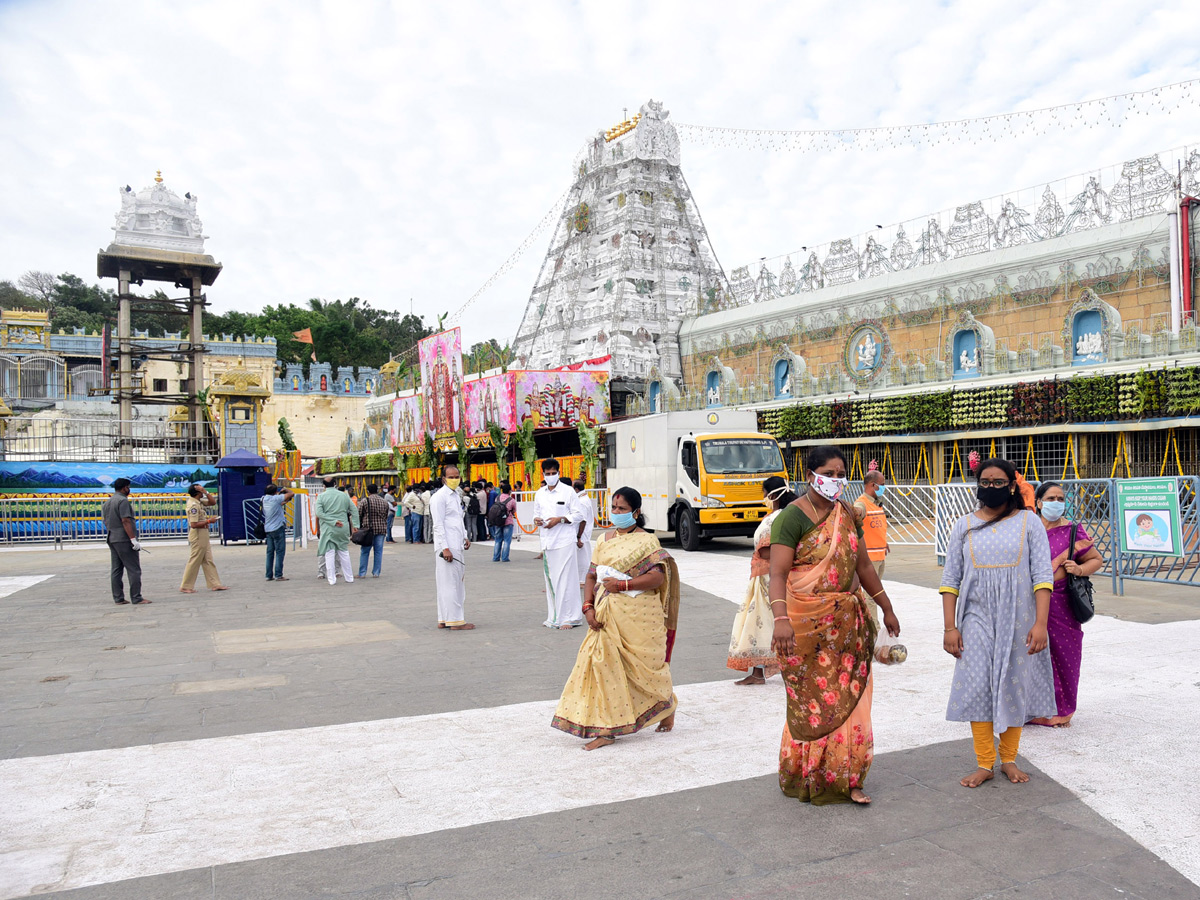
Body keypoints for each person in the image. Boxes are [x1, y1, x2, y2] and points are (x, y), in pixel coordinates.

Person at [768, 446, 901, 805]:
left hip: (846, 624)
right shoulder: (791, 517)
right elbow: (777, 574)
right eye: (830, 472)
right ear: (811, 475)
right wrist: (780, 620)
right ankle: (806, 774)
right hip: (802, 626)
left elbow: (864, 567)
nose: (837, 480)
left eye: (842, 473)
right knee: (811, 702)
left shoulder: (847, 512)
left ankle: (849, 778)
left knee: (852, 699)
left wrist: (886, 607)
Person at [940, 458, 1056, 788]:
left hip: (1021, 619)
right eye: (985, 481)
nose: (992, 487)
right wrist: (950, 627)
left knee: (1014, 683)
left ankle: (1008, 759)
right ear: (978, 485)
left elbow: (1042, 577)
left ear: (1011, 486)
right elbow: (951, 579)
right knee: (977, 685)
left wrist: (1041, 624)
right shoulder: (963, 525)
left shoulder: (1028, 522)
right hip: (975, 619)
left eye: (999, 482)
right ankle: (984, 763)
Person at [552, 486, 679, 750]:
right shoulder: (604, 540)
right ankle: (607, 728)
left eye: (622, 509)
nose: (617, 513)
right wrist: (587, 606)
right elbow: (590, 575)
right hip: (606, 614)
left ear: (636, 512)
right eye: (614, 508)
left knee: (646, 671)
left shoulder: (647, 541)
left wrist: (623, 586)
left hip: (640, 616)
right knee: (602, 666)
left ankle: (665, 706)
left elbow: (657, 577)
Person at [1028, 482, 1103, 728]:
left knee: (1064, 655)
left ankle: (1060, 712)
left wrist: (1079, 568)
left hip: (1062, 605)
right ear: (1038, 502)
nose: (1056, 503)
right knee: (1029, 655)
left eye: (1061, 498)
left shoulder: (1072, 530)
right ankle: (1030, 710)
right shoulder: (1027, 528)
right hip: (1028, 603)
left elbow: (1096, 559)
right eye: (1050, 498)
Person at [727, 476, 795, 684]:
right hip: (765, 577)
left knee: (765, 622)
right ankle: (760, 671)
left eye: (764, 493)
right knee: (762, 623)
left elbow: (768, 550)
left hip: (770, 578)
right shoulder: (777, 515)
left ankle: (771, 670)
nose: (763, 497)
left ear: (773, 494)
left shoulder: (779, 517)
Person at [534, 459, 584, 629]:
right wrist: (538, 520)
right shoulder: (540, 493)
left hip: (565, 541)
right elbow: (536, 514)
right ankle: (554, 616)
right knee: (551, 580)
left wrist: (560, 519)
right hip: (548, 542)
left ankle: (569, 617)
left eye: (553, 473)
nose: (550, 476)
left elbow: (578, 515)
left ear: (558, 472)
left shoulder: (568, 491)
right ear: (543, 474)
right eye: (547, 474)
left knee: (566, 579)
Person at [431, 465, 474, 630]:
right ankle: (456, 621)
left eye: (457, 476)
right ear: (443, 478)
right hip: (447, 546)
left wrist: (464, 536)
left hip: (457, 542)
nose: (454, 479)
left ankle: (444, 619)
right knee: (451, 583)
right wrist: (444, 548)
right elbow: (438, 524)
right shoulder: (439, 497)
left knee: (451, 582)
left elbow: (457, 519)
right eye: (451, 477)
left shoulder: (456, 495)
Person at [102, 477, 147, 605]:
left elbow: (106, 521)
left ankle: (118, 598)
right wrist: (133, 540)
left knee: (116, 570)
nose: (129, 489)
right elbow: (126, 520)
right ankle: (136, 597)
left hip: (112, 538)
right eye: (128, 487)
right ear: (124, 488)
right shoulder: (123, 501)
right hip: (124, 540)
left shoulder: (108, 502)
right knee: (134, 569)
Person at [181, 484, 227, 593]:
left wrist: (206, 492)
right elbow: (193, 524)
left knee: (208, 559)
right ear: (197, 493)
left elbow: (212, 502)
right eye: (201, 491)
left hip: (203, 534)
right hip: (198, 535)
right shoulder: (193, 505)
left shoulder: (198, 502)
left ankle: (215, 583)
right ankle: (186, 585)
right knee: (195, 560)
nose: (203, 493)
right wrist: (208, 521)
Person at [316, 475, 359, 585]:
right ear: (335, 484)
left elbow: (319, 513)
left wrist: (333, 521)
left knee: (329, 553)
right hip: (343, 528)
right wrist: (355, 525)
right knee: (344, 552)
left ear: (324, 486)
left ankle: (332, 579)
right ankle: (349, 578)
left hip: (328, 528)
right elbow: (354, 510)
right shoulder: (344, 496)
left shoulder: (321, 497)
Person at [853, 471, 889, 579]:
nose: (883, 487)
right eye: (882, 484)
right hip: (869, 559)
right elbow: (858, 510)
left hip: (879, 557)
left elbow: (876, 528)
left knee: (875, 593)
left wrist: (883, 543)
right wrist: (856, 512)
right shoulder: (862, 503)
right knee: (870, 594)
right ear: (873, 485)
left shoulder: (876, 503)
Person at [262, 483, 294, 582]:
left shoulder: (263, 499)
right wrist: (285, 489)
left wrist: (279, 494)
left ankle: (268, 575)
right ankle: (278, 575)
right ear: (275, 492)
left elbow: (279, 504)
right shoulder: (276, 499)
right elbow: (291, 494)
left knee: (270, 553)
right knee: (280, 552)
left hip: (268, 529)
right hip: (277, 528)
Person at [357, 483, 389, 578]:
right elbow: (386, 515)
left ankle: (362, 573)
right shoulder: (384, 502)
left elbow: (359, 513)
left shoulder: (365, 501)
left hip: (368, 530)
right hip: (381, 529)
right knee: (378, 551)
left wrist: (359, 526)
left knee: (365, 551)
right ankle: (376, 572)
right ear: (377, 490)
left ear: (368, 491)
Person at [573, 479, 594, 591]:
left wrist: (578, 537)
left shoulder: (581, 501)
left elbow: (583, 520)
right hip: (584, 533)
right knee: (584, 557)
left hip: (582, 534)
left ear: (576, 489)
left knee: (582, 559)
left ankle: (583, 580)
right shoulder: (584, 498)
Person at [490, 481, 517, 562]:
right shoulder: (511, 500)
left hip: (498, 521)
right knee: (507, 541)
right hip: (508, 522)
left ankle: (496, 557)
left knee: (498, 540)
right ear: (509, 491)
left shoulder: (497, 498)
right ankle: (505, 558)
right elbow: (514, 510)